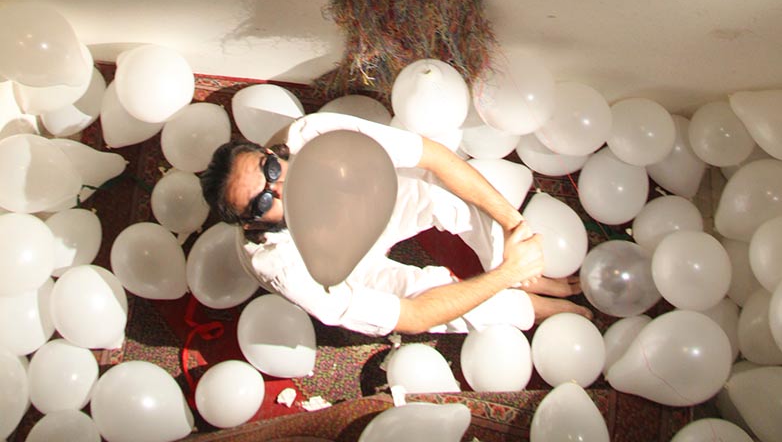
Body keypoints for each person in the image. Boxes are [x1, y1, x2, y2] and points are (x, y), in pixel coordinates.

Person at [200, 111, 589, 337]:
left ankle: (524, 270)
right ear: (251, 226)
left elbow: (433, 158)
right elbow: (414, 317)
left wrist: (514, 226)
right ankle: (527, 305)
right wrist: (505, 278)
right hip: (344, 269)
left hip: (367, 206)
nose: (281, 187)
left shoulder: (311, 135)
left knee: (440, 190)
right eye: (263, 201)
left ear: (271, 152)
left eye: (270, 169)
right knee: (433, 297)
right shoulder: (282, 267)